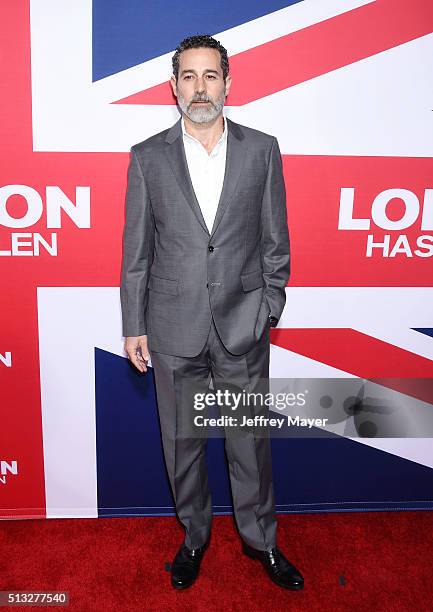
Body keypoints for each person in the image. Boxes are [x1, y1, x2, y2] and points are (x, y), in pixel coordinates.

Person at [120, 34, 304, 591]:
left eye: (210, 76)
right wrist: (135, 325)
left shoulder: (262, 149)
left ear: (228, 82)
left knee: (250, 444)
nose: (200, 88)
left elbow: (277, 243)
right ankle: (194, 537)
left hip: (243, 326)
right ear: (173, 87)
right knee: (182, 446)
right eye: (189, 77)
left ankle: (262, 542)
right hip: (173, 329)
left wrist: (267, 308)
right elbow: (137, 254)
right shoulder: (147, 156)